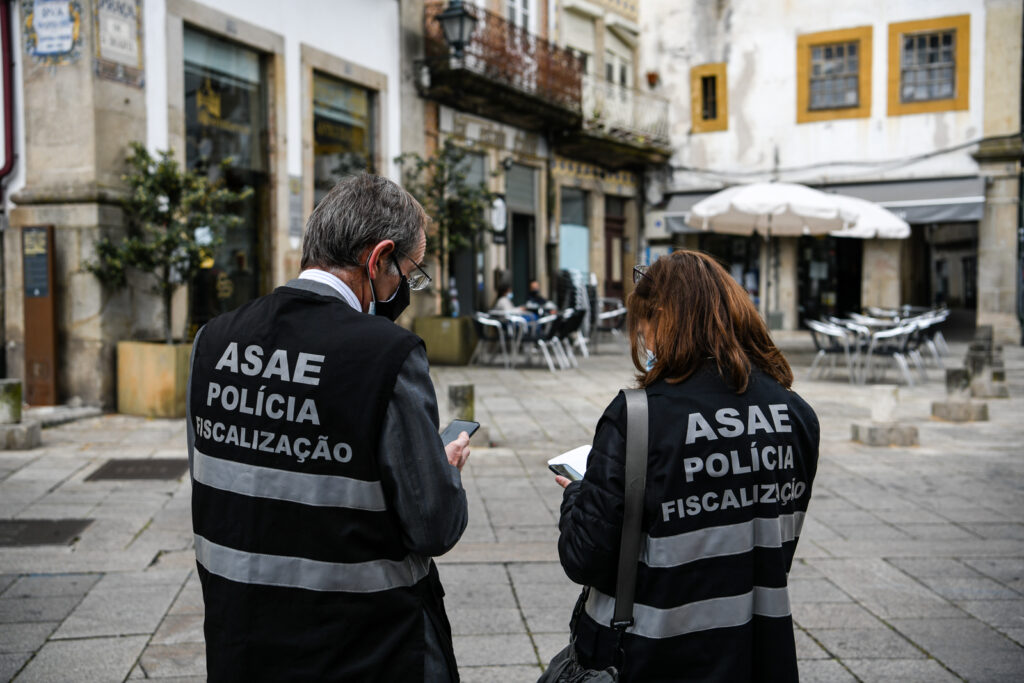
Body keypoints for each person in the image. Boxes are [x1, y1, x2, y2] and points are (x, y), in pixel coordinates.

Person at [186, 174, 471, 682]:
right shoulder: (387, 355)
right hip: (364, 650)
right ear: (377, 258)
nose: (407, 288)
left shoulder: (212, 341)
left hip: (239, 645)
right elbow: (434, 526)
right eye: (410, 272)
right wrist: (440, 469)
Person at [554, 250, 819, 682]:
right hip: (758, 652)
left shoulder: (637, 416)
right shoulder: (797, 414)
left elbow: (585, 557)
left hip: (652, 656)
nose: (642, 335)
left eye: (642, 322)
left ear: (661, 317)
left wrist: (576, 496)